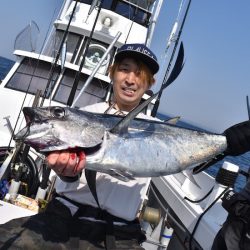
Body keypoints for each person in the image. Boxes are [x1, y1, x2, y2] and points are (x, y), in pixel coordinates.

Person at [0, 43, 250, 250]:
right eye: (124, 70)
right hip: (63, 217)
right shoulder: (85, 115)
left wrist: (226, 143)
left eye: (139, 74)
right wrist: (67, 172)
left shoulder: (156, 127)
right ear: (113, 73)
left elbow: (178, 155)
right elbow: (67, 168)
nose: (130, 79)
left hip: (120, 233)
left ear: (149, 83)